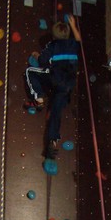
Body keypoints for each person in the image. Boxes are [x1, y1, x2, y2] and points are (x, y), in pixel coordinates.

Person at [24, 15, 81, 160]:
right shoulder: (74, 45)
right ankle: (53, 141)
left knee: (30, 71)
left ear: (54, 37)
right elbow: (79, 40)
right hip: (67, 86)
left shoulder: (53, 45)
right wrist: (73, 25)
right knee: (55, 113)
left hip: (55, 80)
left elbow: (42, 61)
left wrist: (36, 55)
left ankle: (39, 99)